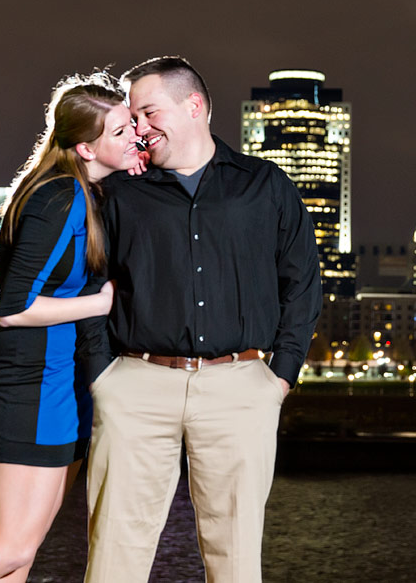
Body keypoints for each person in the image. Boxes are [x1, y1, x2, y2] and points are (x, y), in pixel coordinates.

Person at [85, 56, 322, 582]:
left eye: (148, 113)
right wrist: (103, 375)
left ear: (193, 106)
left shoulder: (265, 185)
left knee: (235, 558)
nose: (138, 129)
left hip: (241, 388)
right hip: (135, 387)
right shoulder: (120, 191)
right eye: (134, 117)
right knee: (113, 554)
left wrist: (279, 376)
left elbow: (302, 284)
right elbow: (87, 280)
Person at [0, 72, 143, 583]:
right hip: (30, 378)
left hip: (59, 379)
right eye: (119, 133)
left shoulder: (84, 192)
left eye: (131, 125)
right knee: (9, 547)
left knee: (23, 555)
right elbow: (15, 307)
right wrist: (102, 302)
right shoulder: (60, 196)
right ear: (86, 149)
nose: (133, 137)